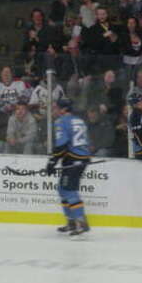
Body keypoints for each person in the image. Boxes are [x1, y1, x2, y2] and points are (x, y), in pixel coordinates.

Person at [46, 98, 91, 236]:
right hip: (80, 158)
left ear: (63, 109)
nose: (54, 110)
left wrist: (53, 161)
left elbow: (62, 145)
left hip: (73, 159)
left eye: (56, 107)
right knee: (62, 189)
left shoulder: (61, 122)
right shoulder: (79, 120)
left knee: (69, 190)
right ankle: (71, 222)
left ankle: (81, 222)